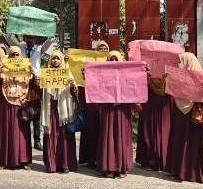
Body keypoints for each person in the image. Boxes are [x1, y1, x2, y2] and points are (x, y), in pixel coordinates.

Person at [167, 52, 203, 184]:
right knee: (179, 142)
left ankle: (192, 173)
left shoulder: (201, 76)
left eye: (182, 61)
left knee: (191, 144)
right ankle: (177, 171)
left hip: (193, 116)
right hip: (180, 114)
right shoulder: (178, 76)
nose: (180, 63)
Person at [95, 50, 134, 178]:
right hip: (108, 108)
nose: (113, 62)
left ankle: (121, 168)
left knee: (121, 135)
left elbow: (134, 87)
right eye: (111, 59)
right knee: (109, 135)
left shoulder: (128, 74)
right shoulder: (102, 74)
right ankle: (108, 167)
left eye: (116, 59)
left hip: (123, 109)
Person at [0, 46, 35, 170]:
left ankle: (23, 160)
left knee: (22, 133)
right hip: (6, 104)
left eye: (17, 55)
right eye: (12, 55)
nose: (15, 57)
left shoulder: (27, 70)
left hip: (22, 103)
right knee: (6, 130)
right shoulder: (3, 70)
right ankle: (4, 160)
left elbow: (33, 86)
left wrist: (34, 75)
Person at [40, 50, 78, 174]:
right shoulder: (45, 73)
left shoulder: (67, 73)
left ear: (61, 60)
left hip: (63, 110)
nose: (55, 60)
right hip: (50, 108)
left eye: (57, 58)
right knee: (51, 135)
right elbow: (40, 93)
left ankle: (65, 164)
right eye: (53, 58)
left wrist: (72, 86)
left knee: (64, 136)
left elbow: (74, 93)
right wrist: (37, 83)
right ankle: (52, 165)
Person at [79, 40, 109, 168]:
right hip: (93, 104)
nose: (102, 51)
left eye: (104, 49)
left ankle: (103, 159)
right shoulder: (90, 65)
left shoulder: (114, 64)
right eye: (100, 48)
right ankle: (91, 159)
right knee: (92, 130)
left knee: (105, 132)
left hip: (107, 105)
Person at [136, 65, 172, 172]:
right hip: (152, 102)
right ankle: (152, 160)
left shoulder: (170, 73)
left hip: (161, 104)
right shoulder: (147, 71)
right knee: (151, 129)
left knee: (160, 130)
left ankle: (157, 160)